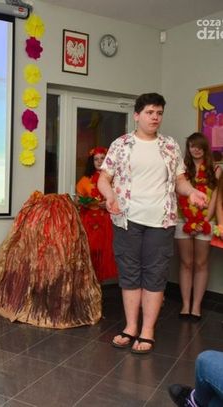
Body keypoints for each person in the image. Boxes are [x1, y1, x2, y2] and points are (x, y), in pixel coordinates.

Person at [97, 93, 207, 354]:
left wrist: (191, 191)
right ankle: (130, 327)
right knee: (130, 275)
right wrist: (110, 195)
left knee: (155, 275)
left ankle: (147, 331)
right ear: (137, 115)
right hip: (126, 220)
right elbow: (104, 178)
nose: (155, 117)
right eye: (149, 112)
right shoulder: (121, 144)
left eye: (159, 113)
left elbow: (180, 181)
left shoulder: (170, 146)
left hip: (161, 221)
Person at [175, 133, 221, 321]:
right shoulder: (181, 170)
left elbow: (215, 198)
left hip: (206, 222)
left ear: (205, 148)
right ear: (188, 148)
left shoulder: (215, 170)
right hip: (182, 220)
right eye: (192, 145)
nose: (196, 149)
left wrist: (202, 222)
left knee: (201, 263)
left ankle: (196, 307)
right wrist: (188, 220)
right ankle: (185, 305)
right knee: (186, 263)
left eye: (199, 146)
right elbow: (178, 194)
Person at [76, 147, 118, 282]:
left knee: (105, 254)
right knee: (91, 252)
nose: (99, 161)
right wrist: (85, 202)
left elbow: (122, 197)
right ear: (91, 162)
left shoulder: (115, 179)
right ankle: (91, 286)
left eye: (102, 158)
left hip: (107, 221)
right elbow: (78, 200)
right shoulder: (85, 180)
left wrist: (109, 202)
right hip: (90, 221)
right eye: (96, 159)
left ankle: (99, 286)